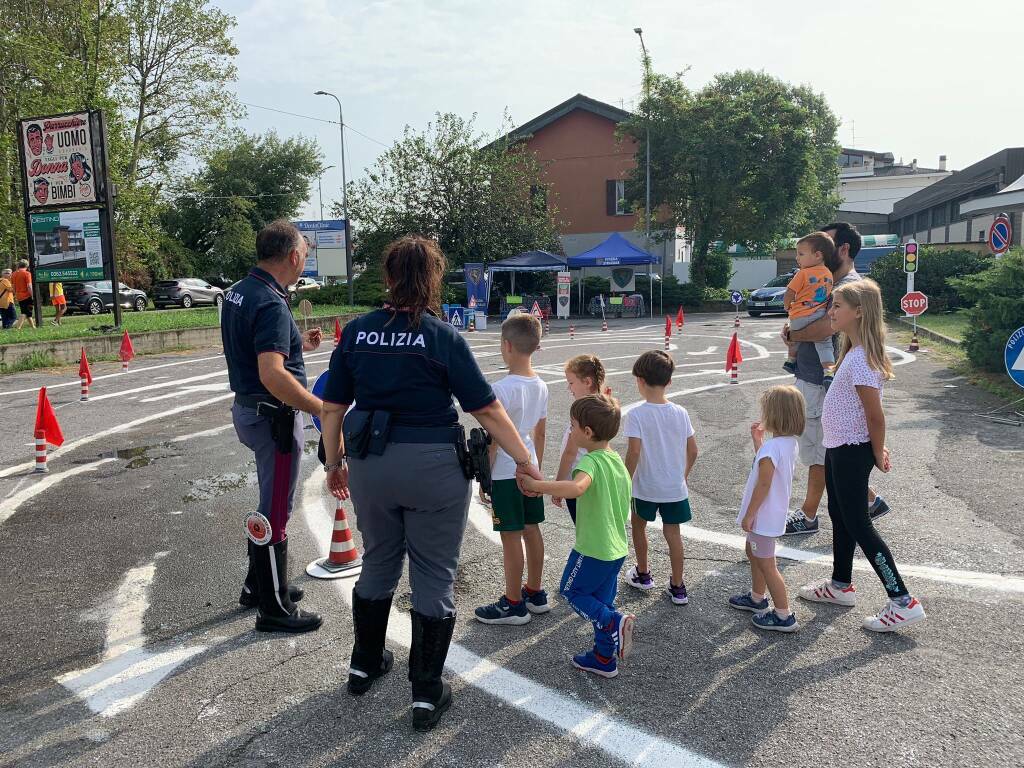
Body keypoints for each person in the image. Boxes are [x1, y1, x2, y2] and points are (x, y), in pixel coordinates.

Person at [320, 235, 543, 732]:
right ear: (433, 279)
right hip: (434, 468)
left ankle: (364, 663)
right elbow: (486, 408)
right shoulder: (443, 337)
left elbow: (332, 407)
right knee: (434, 572)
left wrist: (333, 461)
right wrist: (525, 459)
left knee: (377, 559)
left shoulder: (357, 333)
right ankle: (425, 692)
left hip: (372, 466)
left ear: (389, 276)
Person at [798, 280, 926, 632]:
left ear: (859, 311)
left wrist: (876, 450)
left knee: (858, 522)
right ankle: (841, 585)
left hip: (853, 450)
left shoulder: (863, 359)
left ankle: (902, 599)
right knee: (839, 513)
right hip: (839, 446)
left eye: (838, 305)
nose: (831, 311)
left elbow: (875, 415)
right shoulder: (852, 354)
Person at [221, 219, 324, 635]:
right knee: (276, 509)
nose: (305, 261)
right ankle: (274, 608)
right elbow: (272, 373)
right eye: (305, 254)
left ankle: (258, 585)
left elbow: (255, 348)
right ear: (294, 256)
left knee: (272, 501)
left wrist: (298, 343)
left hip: (249, 410)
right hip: (274, 418)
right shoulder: (269, 302)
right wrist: (320, 409)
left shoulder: (241, 291)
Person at [782, 222, 890, 535]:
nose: (820, 253)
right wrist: (793, 335)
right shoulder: (825, 281)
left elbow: (825, 328)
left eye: (827, 245)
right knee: (822, 449)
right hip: (814, 375)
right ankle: (870, 501)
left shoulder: (848, 288)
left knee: (819, 450)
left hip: (820, 381)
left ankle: (809, 515)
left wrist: (796, 333)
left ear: (842, 249)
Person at [519, 394, 636, 679]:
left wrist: (538, 484)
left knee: (573, 592)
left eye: (572, 426)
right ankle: (603, 658)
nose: (569, 431)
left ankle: (614, 623)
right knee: (600, 601)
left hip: (592, 549)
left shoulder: (591, 462)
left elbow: (577, 487)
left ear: (587, 432)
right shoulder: (616, 461)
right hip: (617, 548)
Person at [475, 313, 550, 625]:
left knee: (510, 536)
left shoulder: (501, 389)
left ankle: (513, 603)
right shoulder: (542, 385)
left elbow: (494, 440)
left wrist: (486, 477)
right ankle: (535, 591)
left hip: (506, 472)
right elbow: (541, 433)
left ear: (506, 346)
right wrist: (536, 470)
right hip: (529, 468)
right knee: (532, 529)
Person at [622, 350, 698, 605]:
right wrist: (683, 476)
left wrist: (625, 479)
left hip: (644, 486)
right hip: (674, 487)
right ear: (669, 382)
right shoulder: (681, 412)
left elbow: (634, 452)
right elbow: (693, 450)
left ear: (640, 381)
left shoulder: (636, 414)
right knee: (673, 534)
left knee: (638, 526)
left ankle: (643, 573)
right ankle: (678, 586)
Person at [729, 385, 804, 633]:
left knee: (767, 564)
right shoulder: (786, 444)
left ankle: (784, 615)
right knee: (755, 555)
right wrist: (758, 442)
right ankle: (757, 597)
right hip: (772, 514)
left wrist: (750, 513)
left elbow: (764, 482)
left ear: (774, 416)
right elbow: (768, 467)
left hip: (763, 516)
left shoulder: (773, 449)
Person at [552, 354, 607, 523]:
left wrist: (558, 485)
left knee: (584, 531)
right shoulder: (604, 404)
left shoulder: (581, 411)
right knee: (596, 526)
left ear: (587, 382)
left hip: (577, 478)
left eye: (571, 383)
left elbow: (570, 452)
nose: (569, 388)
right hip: (597, 477)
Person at [783, 232, 835, 383]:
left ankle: (791, 361)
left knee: (793, 338)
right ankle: (828, 372)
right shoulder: (829, 274)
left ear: (818, 255)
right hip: (819, 314)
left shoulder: (802, 273)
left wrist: (787, 306)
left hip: (799, 315)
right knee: (825, 345)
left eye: (801, 254)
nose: (797, 258)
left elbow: (789, 292)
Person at [12, 260, 35, 330]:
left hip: (19, 296)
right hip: (27, 296)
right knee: (25, 312)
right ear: (27, 266)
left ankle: (33, 327)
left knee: (28, 313)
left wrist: (15, 294)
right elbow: (29, 286)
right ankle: (18, 328)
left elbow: (13, 286)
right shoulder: (27, 273)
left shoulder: (14, 274)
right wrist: (32, 295)